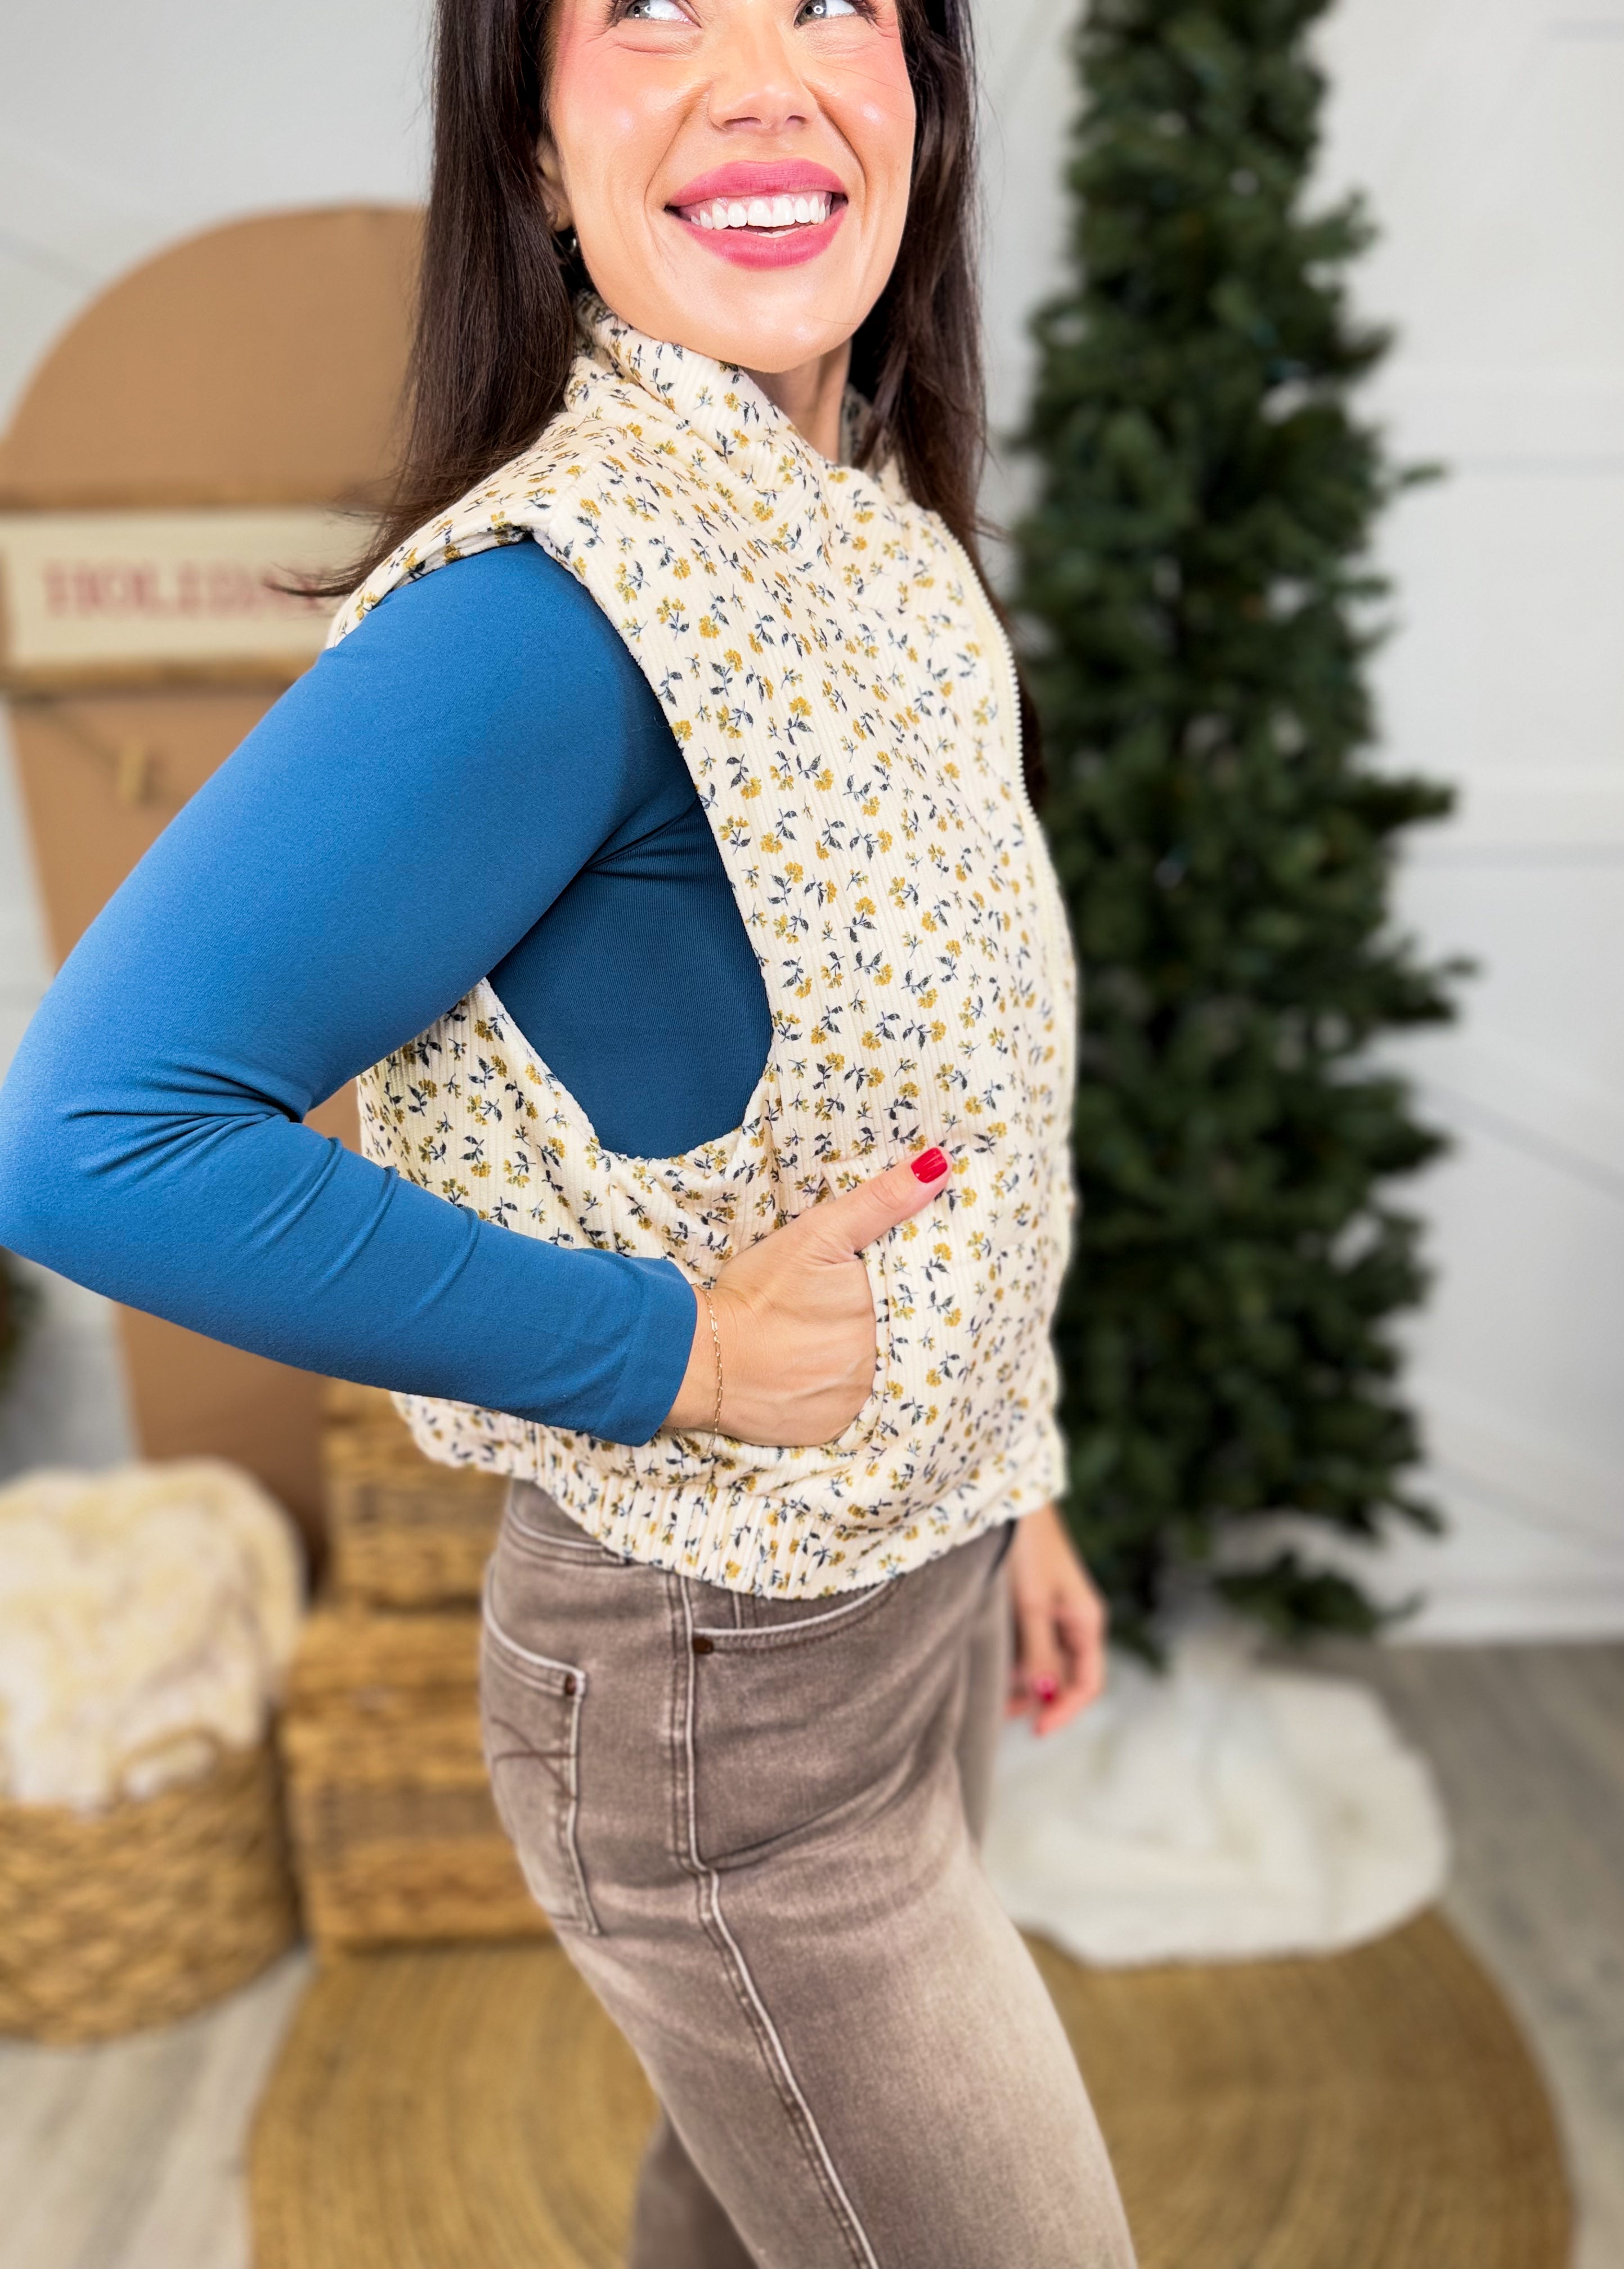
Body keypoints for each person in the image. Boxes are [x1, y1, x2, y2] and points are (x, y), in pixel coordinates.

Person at [0, 2, 1137, 2262]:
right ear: (529, 150)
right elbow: (88, 1137)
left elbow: (961, 1117)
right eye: (650, 14)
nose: (761, 73)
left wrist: (1009, 1486)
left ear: (923, 92)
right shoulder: (549, 618)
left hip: (906, 1608)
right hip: (729, 1711)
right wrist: (676, 1352)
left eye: (831, 1)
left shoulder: (886, 544)